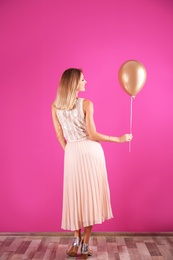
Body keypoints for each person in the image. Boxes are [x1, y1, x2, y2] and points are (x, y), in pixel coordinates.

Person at [51, 68, 133, 257]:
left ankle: (78, 240)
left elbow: (58, 135)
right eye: (82, 79)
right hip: (89, 151)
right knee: (86, 197)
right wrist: (118, 139)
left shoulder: (55, 106)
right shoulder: (86, 104)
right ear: (74, 83)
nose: (86, 82)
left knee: (78, 197)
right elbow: (93, 134)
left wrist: (71, 152)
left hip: (73, 152)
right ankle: (82, 243)